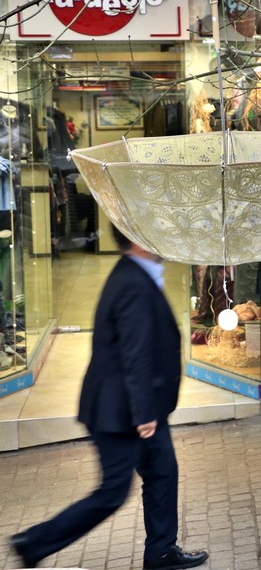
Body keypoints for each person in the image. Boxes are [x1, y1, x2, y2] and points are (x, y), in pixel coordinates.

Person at [10, 225, 208, 570]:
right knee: (113, 491)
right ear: (136, 238)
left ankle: (161, 552)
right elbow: (135, 352)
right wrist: (143, 412)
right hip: (121, 411)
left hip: (138, 405)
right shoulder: (132, 282)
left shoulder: (138, 273)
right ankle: (32, 543)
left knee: (163, 472)